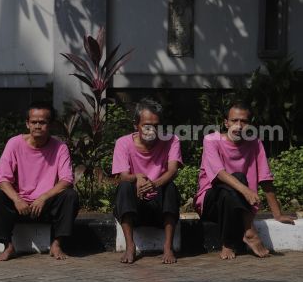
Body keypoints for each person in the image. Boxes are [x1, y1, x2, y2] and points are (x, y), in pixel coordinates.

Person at [196, 101, 296, 260]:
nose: (239, 125)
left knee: (236, 181)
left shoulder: (255, 144)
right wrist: (246, 190)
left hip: (239, 206)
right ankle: (239, 237)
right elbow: (219, 174)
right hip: (212, 204)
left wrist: (277, 214)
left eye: (244, 121)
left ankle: (238, 238)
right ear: (226, 123)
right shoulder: (211, 140)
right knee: (236, 179)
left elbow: (265, 179)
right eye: (234, 120)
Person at [0, 101, 78, 261]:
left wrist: (43, 198)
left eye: (42, 122)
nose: (37, 126)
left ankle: (56, 244)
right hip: (18, 206)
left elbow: (67, 179)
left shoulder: (60, 147)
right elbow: (1, 178)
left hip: (45, 206)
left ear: (50, 124)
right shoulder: (14, 144)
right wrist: (16, 199)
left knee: (70, 196)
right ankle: (8, 246)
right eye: (34, 122)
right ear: (27, 124)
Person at [112, 98, 182, 264]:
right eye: (146, 125)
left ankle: (167, 247)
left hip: (159, 206)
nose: (152, 130)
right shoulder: (123, 143)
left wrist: (154, 184)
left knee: (170, 187)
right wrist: (137, 177)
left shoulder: (172, 140)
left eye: (156, 126)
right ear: (136, 125)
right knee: (124, 187)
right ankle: (130, 246)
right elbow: (123, 175)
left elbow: (172, 170)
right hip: (135, 206)